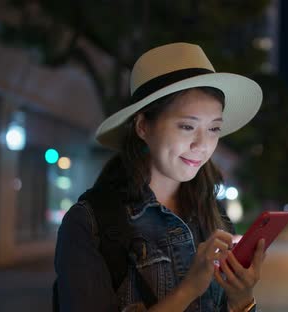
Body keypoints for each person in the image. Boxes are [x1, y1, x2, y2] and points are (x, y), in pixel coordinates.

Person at [54, 42, 264, 312]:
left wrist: (242, 299)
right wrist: (189, 289)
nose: (202, 145)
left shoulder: (214, 217)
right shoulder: (90, 223)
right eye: (187, 126)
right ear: (143, 126)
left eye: (214, 129)